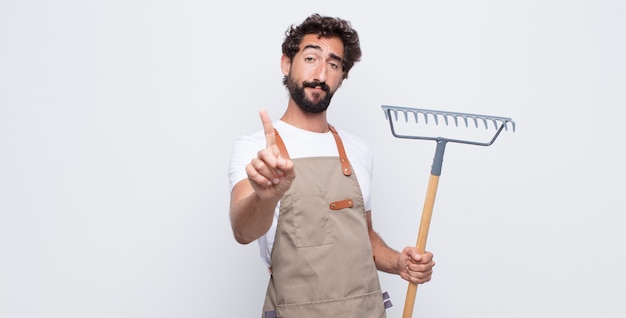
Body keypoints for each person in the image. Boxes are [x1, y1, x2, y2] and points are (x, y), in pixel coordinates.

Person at [228, 13, 435, 318]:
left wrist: (397, 262)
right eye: (311, 57)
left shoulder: (358, 150)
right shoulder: (256, 149)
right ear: (287, 64)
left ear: (341, 76)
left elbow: (363, 234)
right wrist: (266, 195)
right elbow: (243, 231)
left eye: (334, 64)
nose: (321, 73)